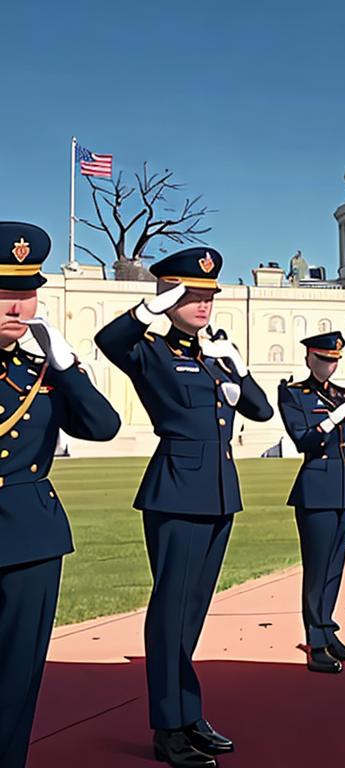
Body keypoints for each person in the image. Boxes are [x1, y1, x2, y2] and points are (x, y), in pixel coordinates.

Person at [95, 247, 274, 767]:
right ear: (168, 296)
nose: (203, 304)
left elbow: (260, 411)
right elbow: (109, 341)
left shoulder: (212, 354)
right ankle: (168, 726)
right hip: (176, 490)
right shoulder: (149, 349)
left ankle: (188, 713)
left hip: (218, 491)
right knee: (170, 612)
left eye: (208, 296)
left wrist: (239, 368)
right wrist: (151, 309)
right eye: (190, 295)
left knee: (192, 614)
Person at [0, 222, 120, 768]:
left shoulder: (44, 369)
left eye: (27, 293)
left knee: (17, 675)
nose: (17, 306)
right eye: (5, 292)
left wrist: (69, 368)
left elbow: (102, 426)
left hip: (30, 536)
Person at [277, 331, 345, 675]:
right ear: (309, 359)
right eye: (323, 359)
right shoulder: (293, 394)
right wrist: (332, 420)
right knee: (316, 570)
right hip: (316, 491)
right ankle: (315, 641)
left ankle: (328, 631)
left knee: (334, 569)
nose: (329, 365)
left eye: (333, 361)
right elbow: (303, 440)